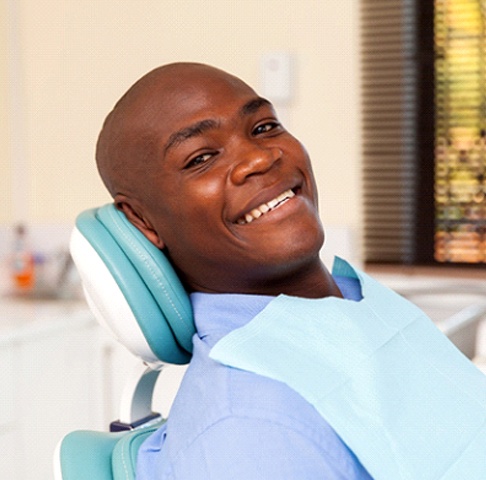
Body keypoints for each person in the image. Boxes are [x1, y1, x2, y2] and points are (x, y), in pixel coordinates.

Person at [95, 63, 486, 479]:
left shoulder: (357, 300)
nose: (260, 158)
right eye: (202, 158)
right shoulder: (248, 428)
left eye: (263, 127)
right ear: (143, 221)